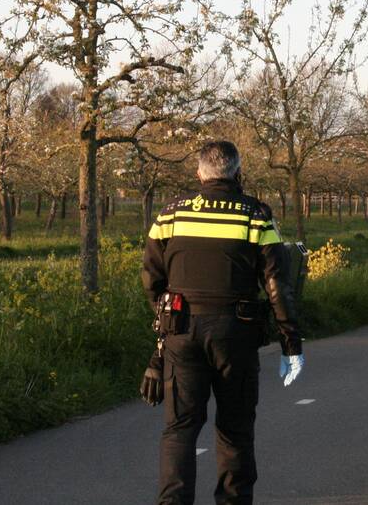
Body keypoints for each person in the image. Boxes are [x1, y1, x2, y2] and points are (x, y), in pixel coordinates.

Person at [140, 140, 303, 505]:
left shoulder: (170, 215)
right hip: (236, 334)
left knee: (180, 429)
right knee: (235, 430)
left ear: (199, 173)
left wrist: (166, 319)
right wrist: (291, 343)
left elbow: (151, 278)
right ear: (238, 172)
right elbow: (278, 285)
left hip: (181, 331)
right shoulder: (256, 216)